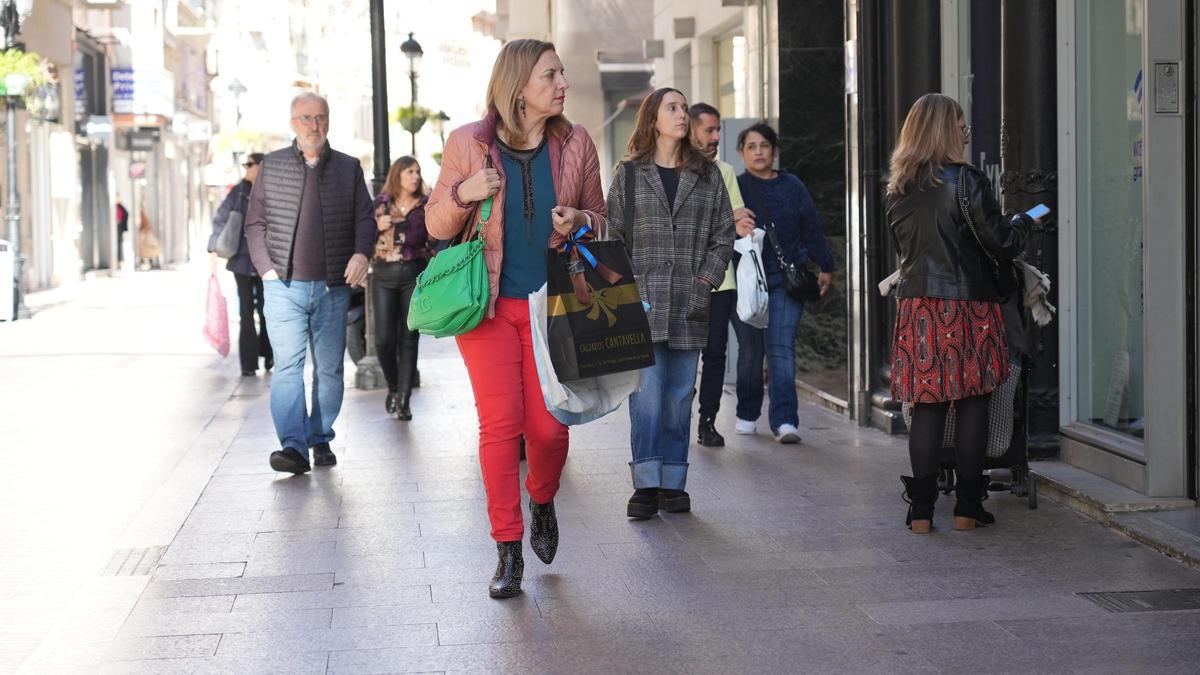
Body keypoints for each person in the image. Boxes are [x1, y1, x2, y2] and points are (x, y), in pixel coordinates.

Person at [426, 39, 606, 599]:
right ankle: (507, 549)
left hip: (553, 306)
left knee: (551, 427)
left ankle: (543, 499)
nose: (562, 84)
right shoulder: (467, 143)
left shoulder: (576, 142)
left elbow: (602, 218)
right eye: (551, 74)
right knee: (500, 427)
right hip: (487, 309)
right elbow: (435, 224)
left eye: (561, 73)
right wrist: (464, 192)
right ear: (519, 84)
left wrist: (580, 217)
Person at [886, 93, 1031, 533]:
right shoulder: (967, 181)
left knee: (926, 406)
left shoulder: (899, 187)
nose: (967, 136)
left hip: (918, 307)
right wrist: (1024, 223)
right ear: (948, 131)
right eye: (963, 128)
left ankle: (922, 512)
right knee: (973, 403)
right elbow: (1001, 242)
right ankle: (968, 507)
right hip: (969, 304)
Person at [606, 88, 734, 520]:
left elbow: (724, 235)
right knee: (645, 396)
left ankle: (673, 481)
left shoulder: (708, 174)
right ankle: (645, 483)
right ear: (653, 119)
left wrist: (705, 282)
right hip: (640, 303)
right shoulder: (627, 174)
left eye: (684, 108)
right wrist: (626, 292)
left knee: (680, 396)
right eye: (673, 108)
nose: (683, 115)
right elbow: (613, 239)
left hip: (690, 301)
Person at [244, 92, 375, 475]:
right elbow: (255, 223)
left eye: (320, 117)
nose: (313, 125)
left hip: (334, 286)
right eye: (305, 118)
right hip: (283, 287)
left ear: (328, 121)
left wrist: (361, 253)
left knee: (330, 369)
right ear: (292, 123)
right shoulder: (273, 165)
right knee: (287, 367)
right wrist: (267, 269)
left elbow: (365, 219)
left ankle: (320, 437)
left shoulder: (349, 168)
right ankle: (293, 446)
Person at [735, 122, 835, 444]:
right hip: (750, 281)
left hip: (786, 281)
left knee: (781, 349)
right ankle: (747, 413)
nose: (759, 152)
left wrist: (826, 264)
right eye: (751, 146)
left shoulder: (793, 185)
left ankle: (785, 421)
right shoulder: (735, 188)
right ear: (742, 153)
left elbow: (812, 227)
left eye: (764, 145)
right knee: (751, 353)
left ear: (774, 150)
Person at [687, 102, 757, 448]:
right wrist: (726, 219)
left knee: (715, 354)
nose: (716, 137)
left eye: (717, 130)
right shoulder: (675, 171)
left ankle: (708, 422)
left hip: (721, 279)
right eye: (709, 130)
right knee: (682, 352)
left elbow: (737, 224)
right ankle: (678, 417)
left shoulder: (724, 171)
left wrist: (730, 222)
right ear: (691, 129)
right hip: (684, 279)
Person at [371, 156, 429, 420]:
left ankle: (404, 399)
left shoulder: (426, 206)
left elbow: (435, 238)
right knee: (383, 340)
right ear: (397, 175)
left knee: (409, 338)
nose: (415, 176)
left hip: (413, 276)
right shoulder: (380, 205)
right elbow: (361, 237)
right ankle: (393, 386)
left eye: (417, 172)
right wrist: (375, 227)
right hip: (383, 277)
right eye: (410, 172)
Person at [208, 153, 273, 377]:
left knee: (268, 311)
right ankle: (248, 363)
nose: (246, 168)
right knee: (246, 312)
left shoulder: (272, 190)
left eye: (250, 164)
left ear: (260, 166)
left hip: (267, 261)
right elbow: (221, 218)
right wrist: (213, 246)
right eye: (245, 165)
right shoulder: (239, 192)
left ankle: (269, 355)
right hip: (242, 261)